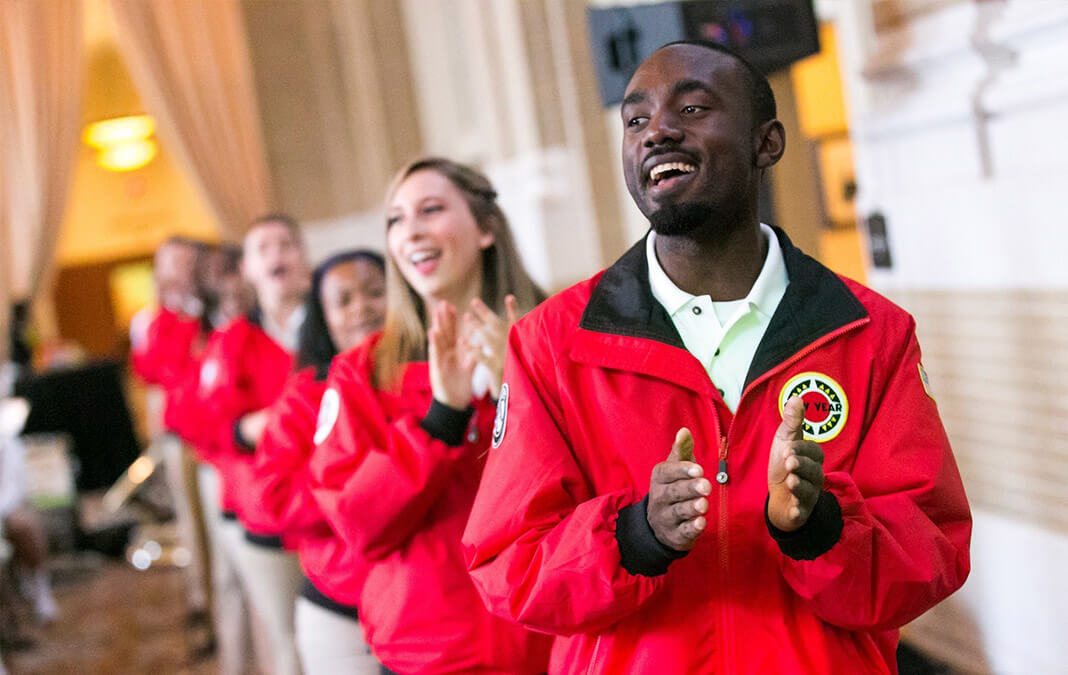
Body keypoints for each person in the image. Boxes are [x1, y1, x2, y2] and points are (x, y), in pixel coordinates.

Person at [463, 41, 972, 674]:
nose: (657, 132)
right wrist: (636, 535)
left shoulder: (871, 334)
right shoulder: (552, 344)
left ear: (767, 143)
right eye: (636, 119)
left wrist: (819, 527)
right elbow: (509, 564)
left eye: (693, 108)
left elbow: (932, 551)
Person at [310, 158, 553, 674]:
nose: (411, 230)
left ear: (485, 229)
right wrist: (441, 419)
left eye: (431, 210)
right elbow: (357, 523)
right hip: (432, 657)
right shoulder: (363, 372)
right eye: (396, 219)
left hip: (553, 643)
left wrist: (520, 398)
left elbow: (596, 490)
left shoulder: (553, 339)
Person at [250, 250, 387, 674]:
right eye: (344, 300)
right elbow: (273, 498)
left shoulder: (435, 378)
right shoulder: (304, 396)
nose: (362, 308)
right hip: (343, 604)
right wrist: (367, 496)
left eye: (375, 293)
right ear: (323, 318)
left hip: (433, 607)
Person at [198, 214, 310, 675]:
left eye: (286, 244)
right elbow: (212, 430)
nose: (277, 255)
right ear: (246, 268)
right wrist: (267, 424)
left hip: (338, 499)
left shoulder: (332, 322)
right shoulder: (233, 340)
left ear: (303, 256)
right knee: (290, 641)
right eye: (263, 248)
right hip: (268, 503)